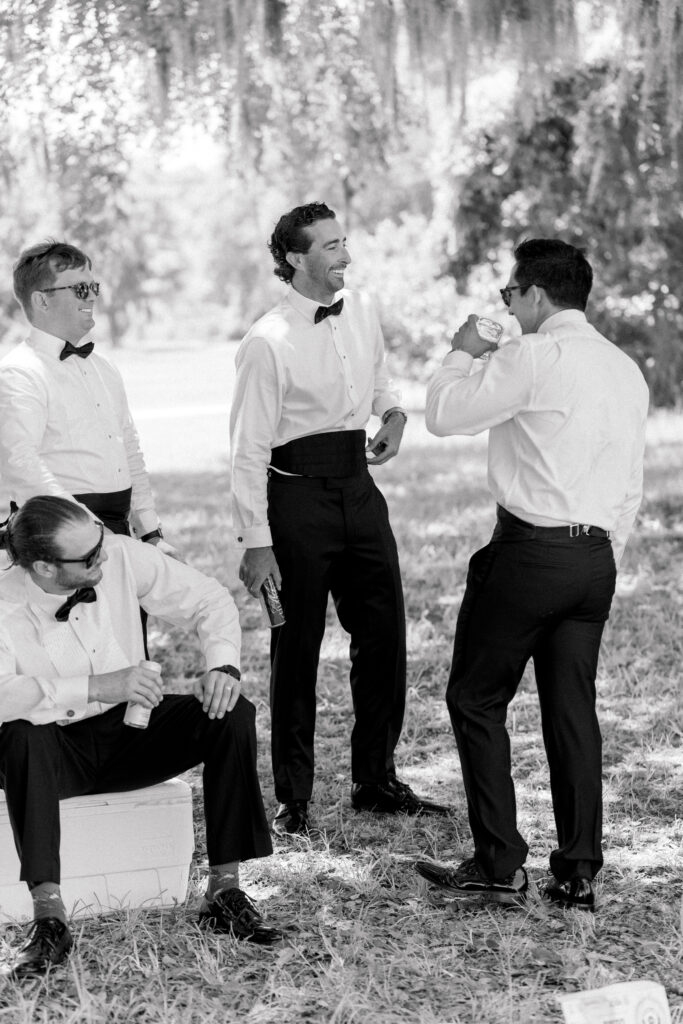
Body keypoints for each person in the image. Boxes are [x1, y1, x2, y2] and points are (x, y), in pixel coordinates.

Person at [416, 239, 649, 910]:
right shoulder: (621, 367)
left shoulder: (532, 355)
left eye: (507, 295)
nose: (504, 306)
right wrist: (605, 555)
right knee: (572, 712)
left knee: (475, 699)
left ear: (535, 296)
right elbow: (628, 480)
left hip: (527, 555)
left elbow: (444, 415)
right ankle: (576, 871)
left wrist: (464, 350)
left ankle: (497, 859)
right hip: (594, 559)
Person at [229, 201, 448, 836]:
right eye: (330, 246)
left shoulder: (364, 311)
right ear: (295, 259)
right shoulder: (265, 342)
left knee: (385, 636)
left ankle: (374, 780)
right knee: (294, 646)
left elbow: (379, 381)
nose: (345, 255)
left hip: (360, 491)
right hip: (295, 502)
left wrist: (396, 414)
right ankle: (293, 798)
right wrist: (255, 542)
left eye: (344, 241)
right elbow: (246, 450)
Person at [0, 496, 282, 980]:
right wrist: (94, 687)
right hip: (49, 752)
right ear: (44, 566)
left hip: (130, 731)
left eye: (101, 544)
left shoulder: (120, 553)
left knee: (231, 713)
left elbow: (209, 598)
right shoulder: (3, 600)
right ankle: (50, 917)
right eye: (89, 558)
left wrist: (223, 665)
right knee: (22, 735)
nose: (104, 557)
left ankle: (224, 890)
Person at [0, 240, 174, 551]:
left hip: (120, 532)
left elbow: (130, 450)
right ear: (42, 300)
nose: (93, 296)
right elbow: (21, 463)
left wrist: (151, 534)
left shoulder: (104, 367)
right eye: (80, 289)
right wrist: (87, 530)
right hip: (60, 539)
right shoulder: (19, 372)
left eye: (94, 286)